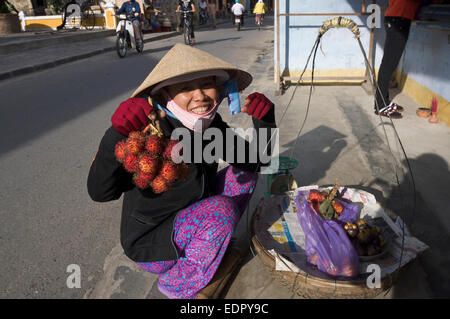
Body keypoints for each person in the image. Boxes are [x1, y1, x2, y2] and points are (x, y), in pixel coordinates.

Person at [87, 43, 277, 299]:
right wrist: (116, 135)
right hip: (152, 245)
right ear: (166, 94)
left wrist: (265, 121)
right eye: (185, 88)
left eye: (207, 85)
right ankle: (177, 285)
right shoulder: (146, 133)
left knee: (244, 175)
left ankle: (207, 244)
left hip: (193, 218)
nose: (199, 96)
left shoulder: (212, 128)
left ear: (220, 89)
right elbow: (100, 192)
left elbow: (257, 162)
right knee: (222, 211)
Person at [374, 0, 421, 119]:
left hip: (396, 18)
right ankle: (380, 106)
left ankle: (383, 101)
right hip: (399, 19)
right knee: (388, 65)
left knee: (388, 64)